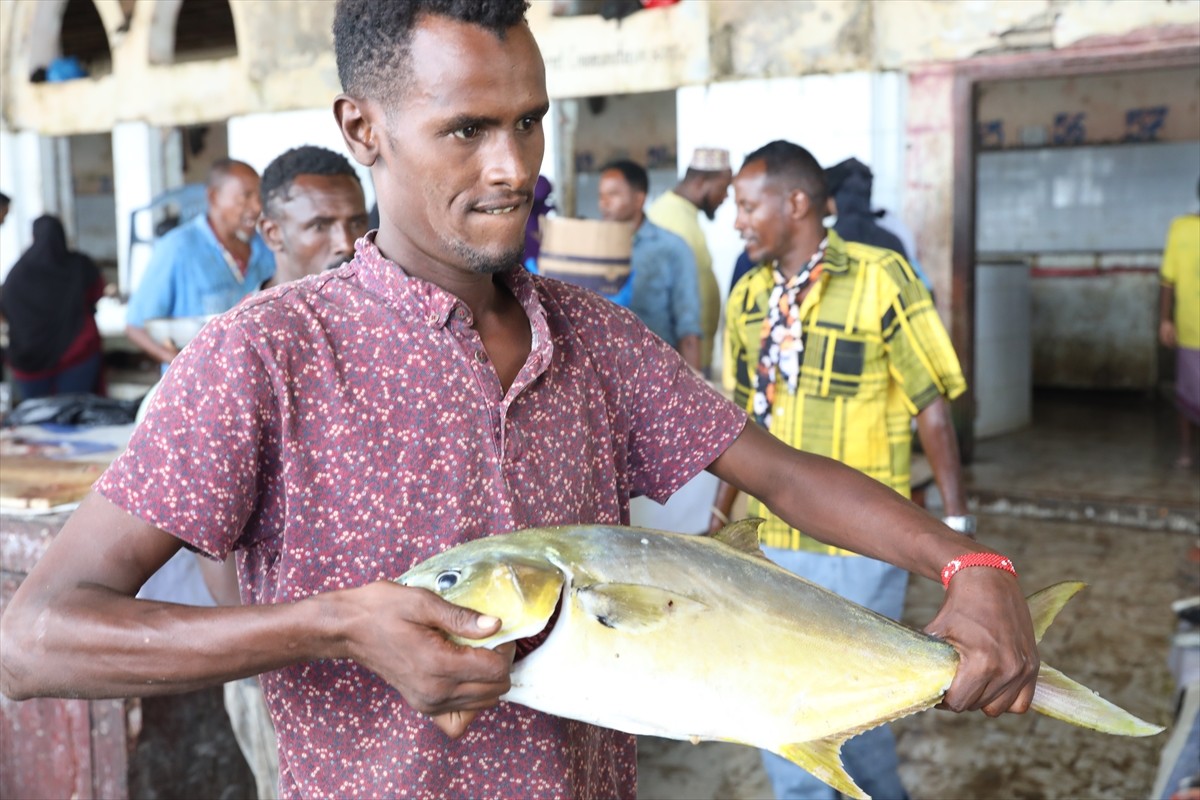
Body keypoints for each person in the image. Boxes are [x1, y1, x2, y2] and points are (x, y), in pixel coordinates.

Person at [0, 5, 1039, 800]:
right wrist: (334, 626)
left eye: (530, 123)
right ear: (363, 128)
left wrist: (964, 558)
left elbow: (775, 469)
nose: (515, 170)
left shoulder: (593, 338)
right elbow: (35, 639)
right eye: (466, 131)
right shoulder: (261, 356)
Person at [711, 140, 974, 800]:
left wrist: (959, 533)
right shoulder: (747, 297)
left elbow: (931, 407)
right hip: (771, 543)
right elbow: (734, 426)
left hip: (862, 544)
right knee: (789, 707)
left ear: (796, 203)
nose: (737, 220)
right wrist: (719, 523)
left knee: (849, 708)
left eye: (747, 206)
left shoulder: (883, 276)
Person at [125, 158, 275, 367]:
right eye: (245, 197)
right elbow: (135, 325)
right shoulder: (177, 248)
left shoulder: (267, 247)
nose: (257, 206)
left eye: (259, 196)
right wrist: (182, 365)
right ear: (213, 197)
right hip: (197, 388)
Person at [598, 159, 702, 370]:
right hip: (602, 372)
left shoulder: (672, 248)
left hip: (655, 372)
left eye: (613, 194)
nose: (604, 203)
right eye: (601, 195)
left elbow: (688, 327)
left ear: (639, 199)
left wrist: (693, 385)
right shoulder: (589, 248)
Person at [0, 215, 107, 400]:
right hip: (76, 355)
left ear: (33, 237)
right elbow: (97, 292)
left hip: (30, 359)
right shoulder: (79, 265)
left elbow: (5, 309)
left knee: (37, 417)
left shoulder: (17, 274)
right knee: (74, 413)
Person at [647, 146, 733, 375]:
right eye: (723, 188)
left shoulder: (683, 215)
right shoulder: (668, 218)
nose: (725, 197)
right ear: (702, 181)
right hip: (681, 362)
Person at [259, 145, 371, 289]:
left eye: (356, 224)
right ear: (272, 234)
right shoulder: (247, 312)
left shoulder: (385, 307)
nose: (346, 244)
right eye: (320, 227)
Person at [1159, 182, 1200, 469]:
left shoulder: (1181, 227)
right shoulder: (1181, 228)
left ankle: (1188, 453)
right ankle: (1186, 452)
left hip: (1189, 329)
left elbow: (1166, 281)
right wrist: (1165, 319)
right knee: (1187, 392)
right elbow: (1167, 280)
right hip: (1189, 330)